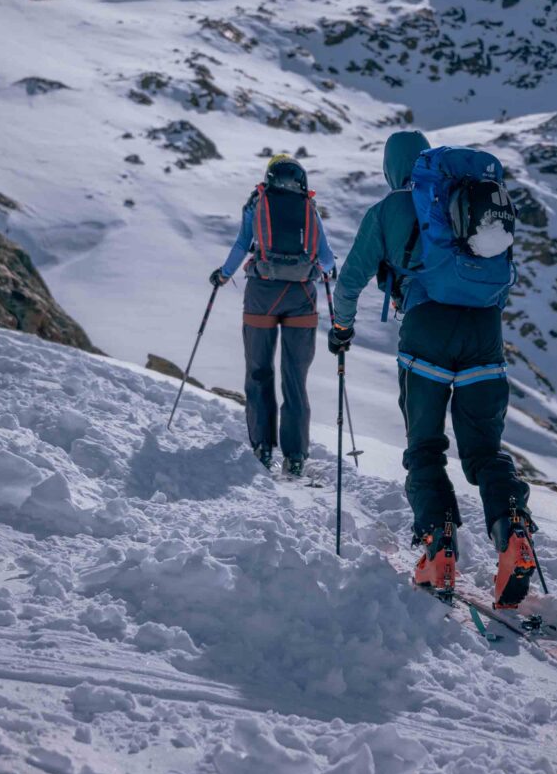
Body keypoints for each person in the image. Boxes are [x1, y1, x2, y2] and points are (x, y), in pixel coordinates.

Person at [328, 130, 536, 608]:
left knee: (425, 447)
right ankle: (513, 531)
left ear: (390, 168)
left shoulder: (385, 212)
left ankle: (437, 548)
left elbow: (351, 281)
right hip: (484, 333)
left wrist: (341, 328)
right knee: (484, 452)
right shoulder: (463, 199)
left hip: (425, 334)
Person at [210, 154, 335, 477]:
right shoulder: (309, 209)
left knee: (258, 371)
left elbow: (242, 244)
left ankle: (262, 447)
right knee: (295, 378)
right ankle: (295, 456)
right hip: (302, 298)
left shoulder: (257, 204)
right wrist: (315, 272)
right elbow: (327, 259)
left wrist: (224, 275)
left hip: (261, 295)